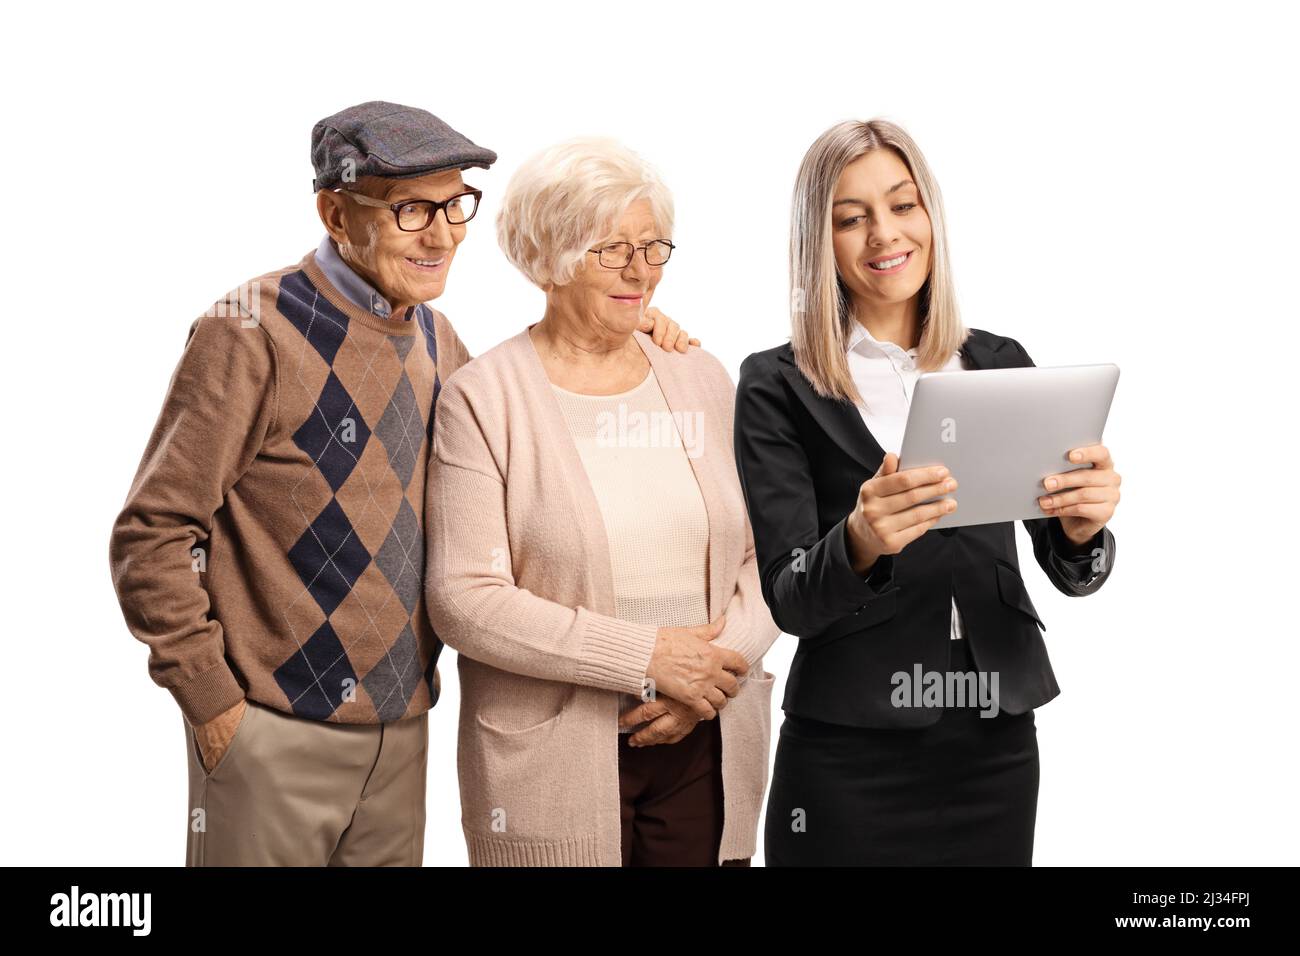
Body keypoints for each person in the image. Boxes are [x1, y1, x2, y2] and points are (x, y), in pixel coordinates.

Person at [107, 101, 694, 866]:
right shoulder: (250, 330)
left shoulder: (437, 338)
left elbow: (526, 436)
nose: (443, 234)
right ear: (335, 213)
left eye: (455, 205)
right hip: (270, 729)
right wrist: (212, 702)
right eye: (411, 209)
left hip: (402, 735)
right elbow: (153, 532)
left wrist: (623, 327)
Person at [734, 118, 1121, 866]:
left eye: (903, 205)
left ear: (930, 215)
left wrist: (1083, 530)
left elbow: (1074, 571)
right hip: (850, 746)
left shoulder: (1000, 361)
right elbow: (788, 600)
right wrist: (859, 542)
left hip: (994, 738)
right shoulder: (777, 384)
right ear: (820, 241)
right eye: (851, 218)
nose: (885, 234)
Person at [424, 137, 780, 866]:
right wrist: (646, 658)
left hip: (707, 737)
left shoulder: (701, 376)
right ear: (549, 258)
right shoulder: (483, 398)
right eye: (612, 249)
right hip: (552, 756)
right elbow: (464, 598)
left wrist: (710, 675)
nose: (640, 270)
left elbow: (767, 556)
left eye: (653, 247)